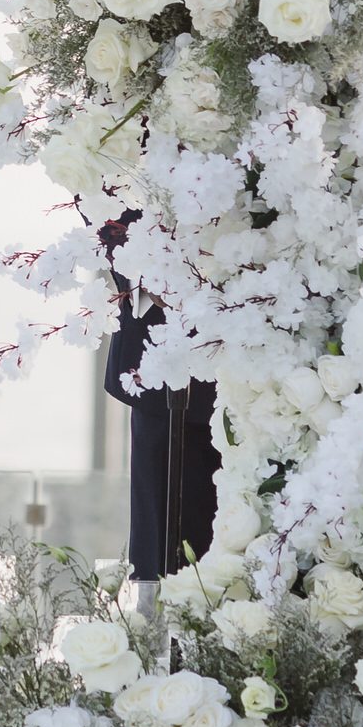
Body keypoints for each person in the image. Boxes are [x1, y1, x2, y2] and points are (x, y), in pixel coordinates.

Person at [97, 212, 219, 580]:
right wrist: (148, 267)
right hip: (166, 372)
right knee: (168, 580)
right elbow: (96, 170)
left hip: (298, 347)